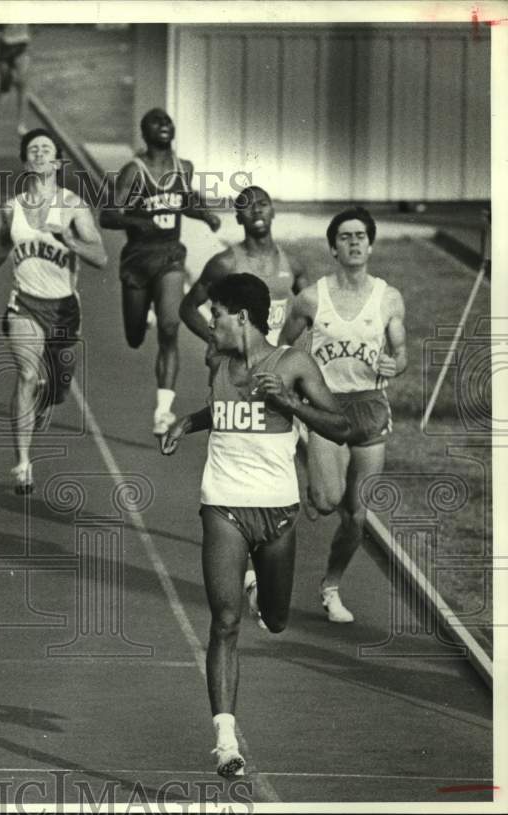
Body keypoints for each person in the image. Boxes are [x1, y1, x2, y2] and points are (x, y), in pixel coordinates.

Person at [160, 273, 350, 777]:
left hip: (278, 512)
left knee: (276, 618)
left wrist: (289, 403)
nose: (209, 323)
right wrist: (188, 423)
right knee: (224, 624)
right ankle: (225, 740)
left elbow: (341, 425)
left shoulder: (292, 364)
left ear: (240, 317)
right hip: (223, 505)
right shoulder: (219, 364)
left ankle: (256, 588)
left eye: (215, 314)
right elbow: (224, 411)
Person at [279, 207, 407, 623]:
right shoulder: (313, 298)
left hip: (369, 406)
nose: (354, 243)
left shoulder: (387, 298)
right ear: (333, 247)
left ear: (370, 244)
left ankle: (331, 586)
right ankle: (314, 476)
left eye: (360, 236)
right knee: (326, 498)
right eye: (345, 237)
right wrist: (292, 385)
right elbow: (286, 345)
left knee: (357, 514)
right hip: (327, 404)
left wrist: (396, 365)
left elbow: (400, 352)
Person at [0, 129, 107, 493]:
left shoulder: (74, 205)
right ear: (25, 161)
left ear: (59, 161)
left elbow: (101, 257)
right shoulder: (12, 207)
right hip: (24, 304)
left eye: (47, 149)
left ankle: (48, 397)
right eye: (34, 149)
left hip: (63, 308)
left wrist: (72, 241)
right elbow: (2, 245)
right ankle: (23, 463)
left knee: (59, 387)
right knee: (27, 376)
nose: (41, 154)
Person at [100, 107, 221, 437]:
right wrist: (139, 221)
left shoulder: (185, 168)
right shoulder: (134, 171)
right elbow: (108, 215)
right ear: (144, 131)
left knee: (171, 326)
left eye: (167, 121)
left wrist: (206, 215)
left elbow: (184, 202)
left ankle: (163, 411)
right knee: (136, 336)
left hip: (170, 255)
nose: (164, 125)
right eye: (156, 122)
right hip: (138, 258)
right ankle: (147, 312)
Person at [180, 185, 309, 351]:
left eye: (262, 204)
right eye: (248, 206)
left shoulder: (292, 264)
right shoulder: (224, 264)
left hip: (275, 363)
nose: (256, 210)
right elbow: (187, 308)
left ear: (272, 212)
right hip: (236, 367)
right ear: (238, 218)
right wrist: (217, 342)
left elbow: (312, 312)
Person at [0, 24, 31, 136]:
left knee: (22, 84)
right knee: (5, 81)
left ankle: (21, 124)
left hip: (21, 45)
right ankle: (4, 87)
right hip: (5, 48)